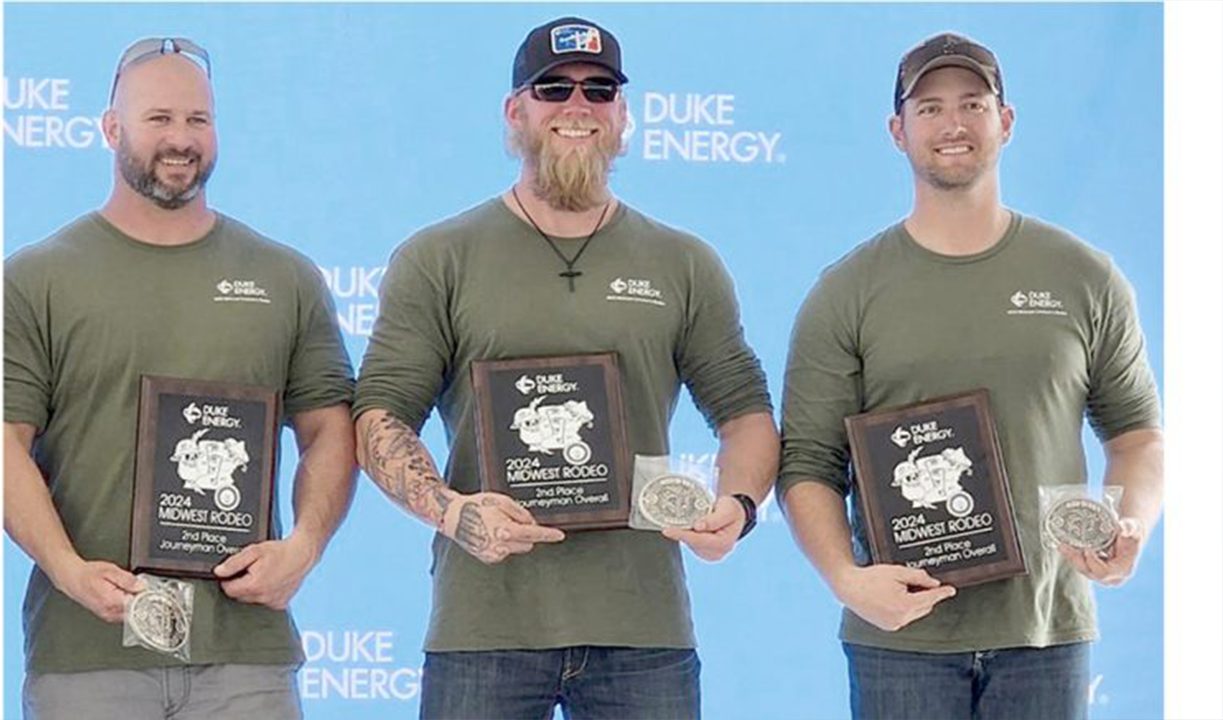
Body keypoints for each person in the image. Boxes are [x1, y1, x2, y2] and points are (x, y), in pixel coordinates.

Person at [353, 16, 777, 720]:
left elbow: (746, 413)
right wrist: (453, 512)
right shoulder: (438, 258)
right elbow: (380, 416)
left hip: (644, 628)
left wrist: (737, 509)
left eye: (600, 89)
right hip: (482, 627)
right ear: (515, 111)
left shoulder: (683, 262)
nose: (577, 106)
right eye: (554, 89)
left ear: (622, 114)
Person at [779, 31, 1163, 720]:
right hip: (900, 639)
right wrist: (845, 579)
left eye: (972, 104)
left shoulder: (1084, 277)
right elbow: (807, 463)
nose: (952, 124)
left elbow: (1137, 435)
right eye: (928, 108)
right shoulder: (846, 292)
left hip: (1045, 632)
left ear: (1005, 122)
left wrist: (1130, 523)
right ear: (897, 131)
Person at [4, 37, 356, 720]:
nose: (181, 139)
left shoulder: (284, 276)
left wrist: (305, 546)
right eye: (159, 118)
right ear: (111, 129)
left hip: (246, 656)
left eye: (198, 120)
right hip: (88, 653)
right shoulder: (36, 279)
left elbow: (329, 429)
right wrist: (68, 570)